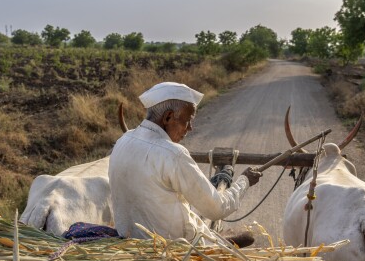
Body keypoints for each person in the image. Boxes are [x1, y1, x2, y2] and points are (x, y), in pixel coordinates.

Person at [109, 82, 262, 247]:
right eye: (187, 121)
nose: (190, 128)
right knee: (248, 237)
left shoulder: (122, 141)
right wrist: (244, 181)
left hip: (128, 241)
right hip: (176, 248)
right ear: (168, 117)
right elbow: (217, 208)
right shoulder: (174, 154)